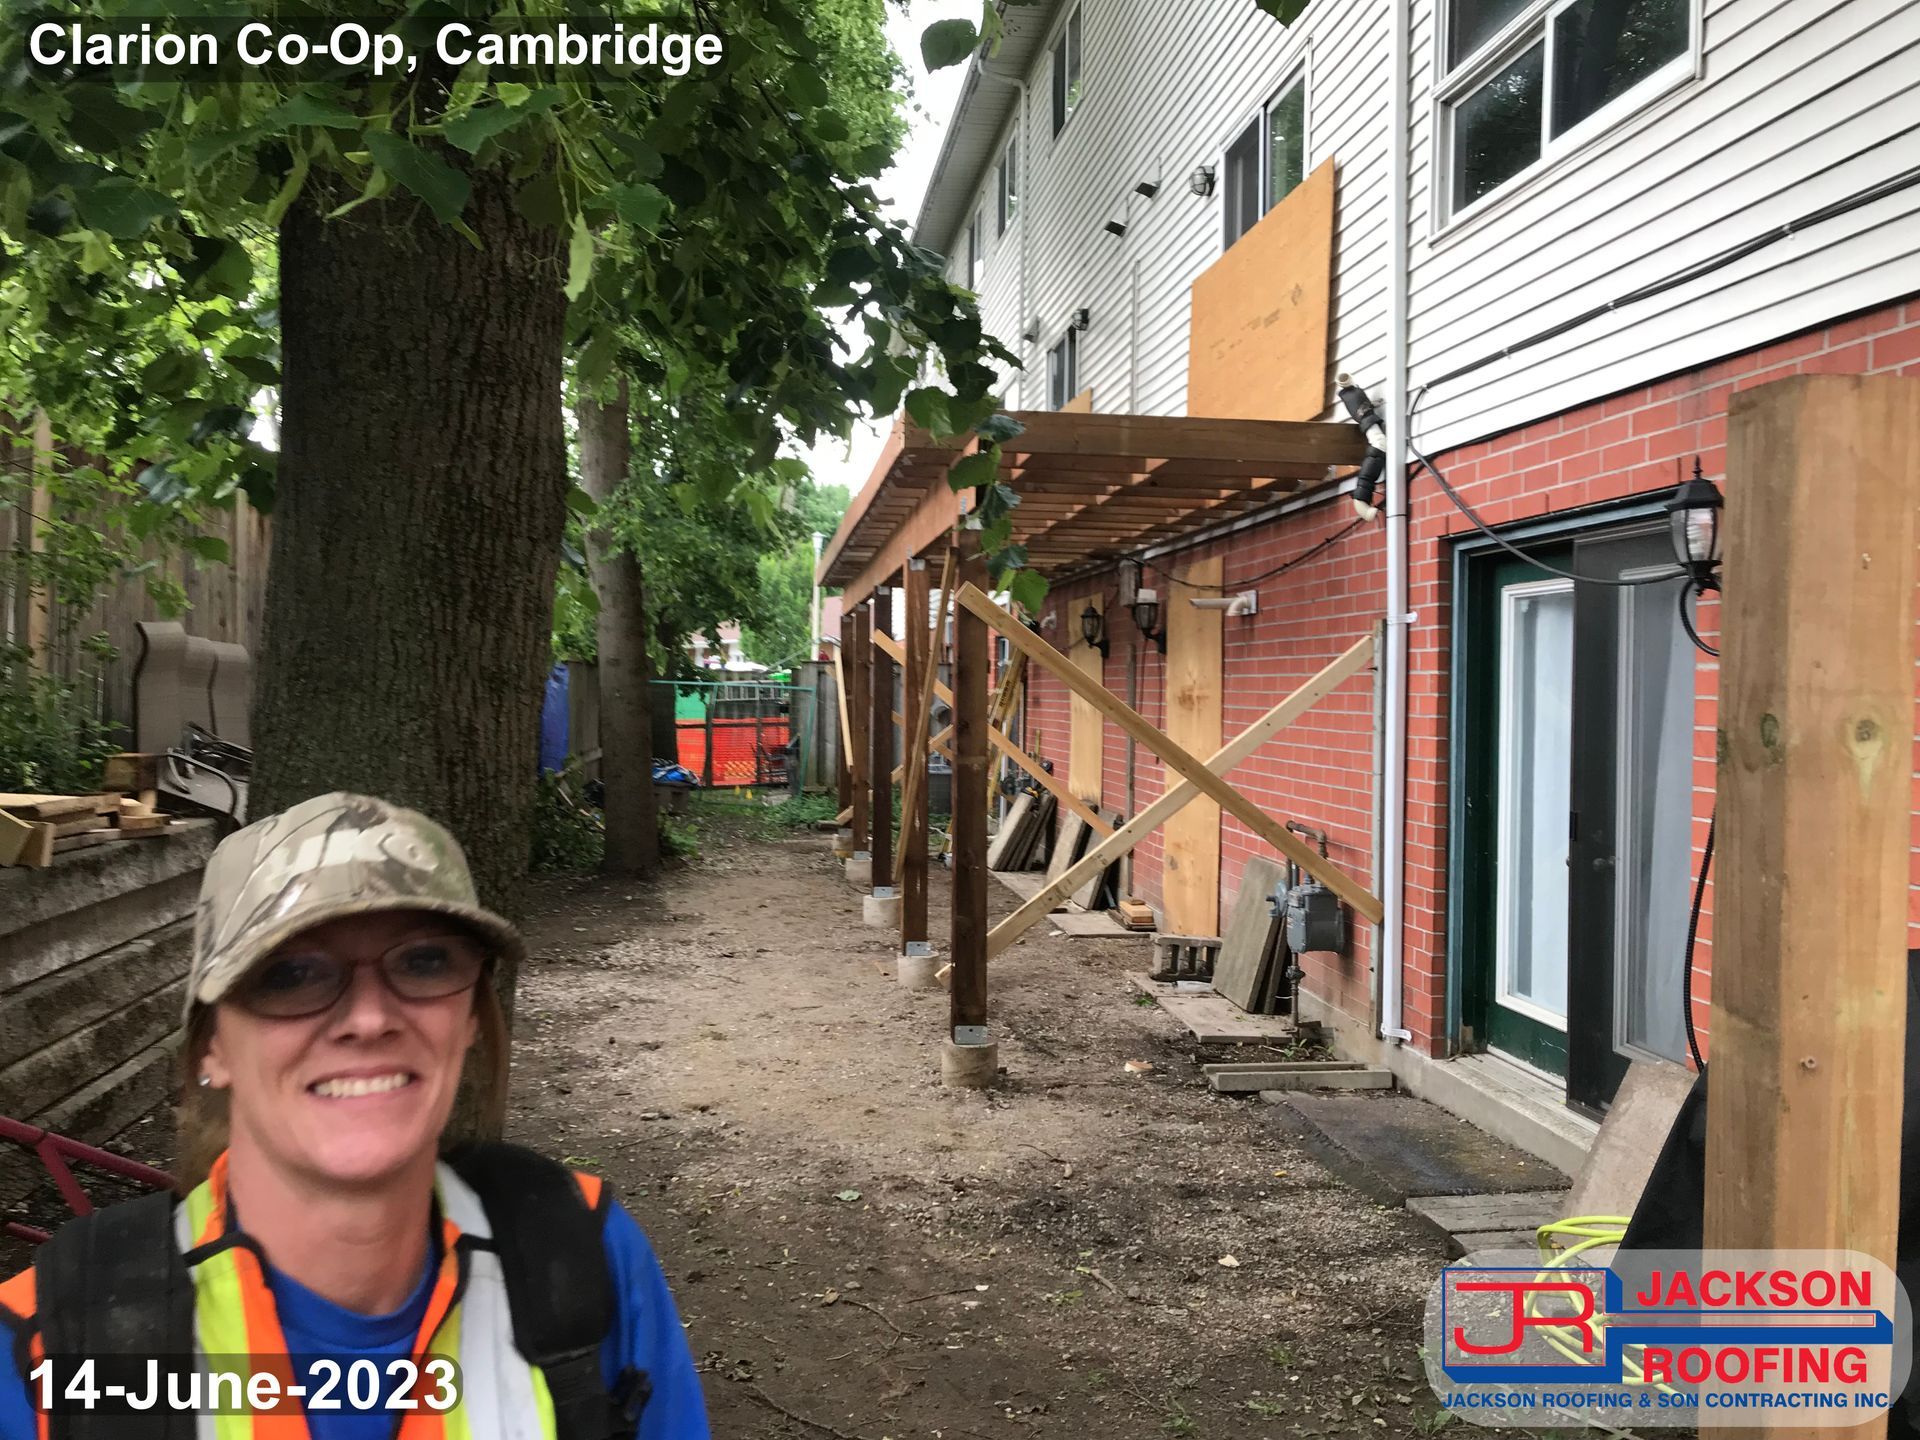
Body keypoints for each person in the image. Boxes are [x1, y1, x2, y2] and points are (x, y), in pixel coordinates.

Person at [0, 792, 709, 1439]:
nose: (369, 1018)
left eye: (425, 962)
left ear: (469, 1019)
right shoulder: (47, 1347)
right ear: (211, 1046)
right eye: (291, 974)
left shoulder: (581, 1254)